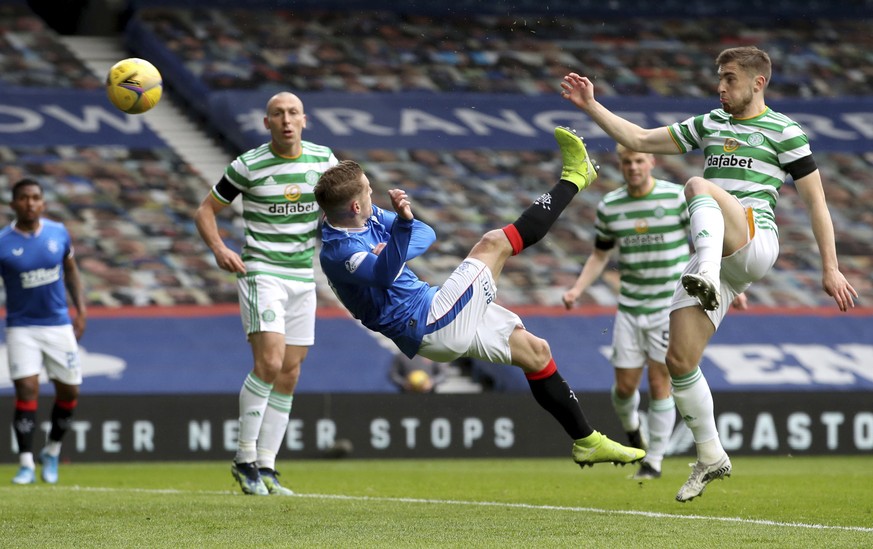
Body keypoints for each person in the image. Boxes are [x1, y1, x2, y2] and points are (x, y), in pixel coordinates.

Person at [560, 46, 858, 501]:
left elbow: (816, 202)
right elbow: (639, 139)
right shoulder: (709, 124)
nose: (721, 86)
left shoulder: (786, 131)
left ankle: (704, 270)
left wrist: (831, 267)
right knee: (680, 361)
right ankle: (711, 454)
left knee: (697, 185)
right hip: (721, 263)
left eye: (731, 79)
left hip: (755, 239)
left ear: (759, 83)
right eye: (720, 78)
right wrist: (591, 106)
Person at [314, 127, 646, 470]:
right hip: (427, 324)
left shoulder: (360, 219)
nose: (373, 194)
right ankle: (575, 177)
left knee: (536, 351)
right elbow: (383, 272)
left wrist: (399, 239)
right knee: (493, 242)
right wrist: (400, 229)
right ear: (355, 205)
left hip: (433, 306)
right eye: (369, 191)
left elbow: (426, 233)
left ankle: (586, 441)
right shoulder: (340, 251)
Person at [194, 92, 338, 496]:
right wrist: (220, 248)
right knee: (270, 362)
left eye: (293, 113)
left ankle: (268, 466)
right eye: (278, 114)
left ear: (304, 120)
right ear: (266, 123)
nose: (286, 120)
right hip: (262, 272)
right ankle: (244, 459)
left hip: (302, 276)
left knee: (290, 372)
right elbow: (205, 210)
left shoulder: (323, 160)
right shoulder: (248, 165)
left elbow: (349, 202)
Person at [562, 145, 690, 480]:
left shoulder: (677, 198)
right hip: (631, 309)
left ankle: (654, 461)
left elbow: (708, 240)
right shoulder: (610, 206)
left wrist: (730, 282)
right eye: (627, 162)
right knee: (623, 389)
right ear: (620, 165)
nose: (633, 167)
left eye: (638, 161)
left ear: (652, 161)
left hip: (668, 306)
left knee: (661, 382)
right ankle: (634, 433)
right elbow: (600, 255)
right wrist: (578, 288)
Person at [0, 178, 87, 485]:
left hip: (58, 324)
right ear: (13, 204)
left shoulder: (58, 233)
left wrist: (81, 309)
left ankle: (51, 451)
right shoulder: (3, 242)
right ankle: (25, 463)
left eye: (35, 197)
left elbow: (71, 271)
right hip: (21, 327)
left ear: (43, 202)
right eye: (24, 198)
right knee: (26, 389)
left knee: (70, 391)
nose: (30, 203)